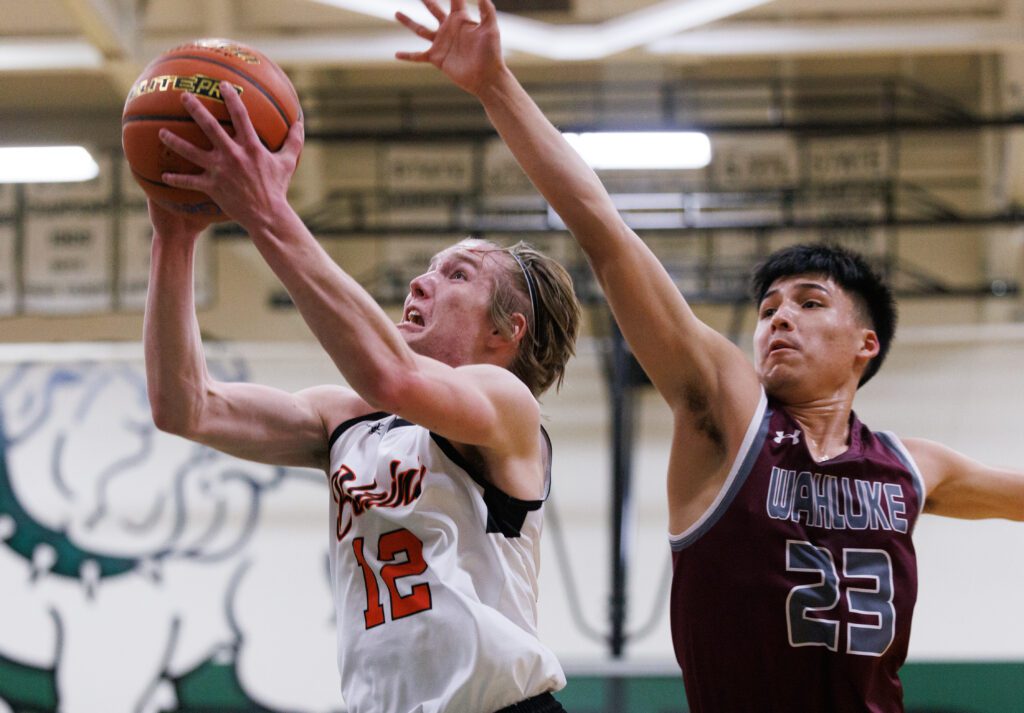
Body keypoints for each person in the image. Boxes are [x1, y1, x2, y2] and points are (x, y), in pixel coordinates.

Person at [396, 1, 1024, 711]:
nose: (779, 317)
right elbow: (605, 234)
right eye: (767, 309)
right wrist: (495, 86)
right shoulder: (728, 414)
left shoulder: (915, 466)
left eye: (809, 303)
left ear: (865, 344)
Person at [143, 73, 580, 713]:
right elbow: (185, 406)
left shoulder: (505, 405)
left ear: (505, 331)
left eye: (457, 274)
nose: (420, 282)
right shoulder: (344, 419)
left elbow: (390, 376)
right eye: (426, 268)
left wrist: (268, 210)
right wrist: (173, 238)